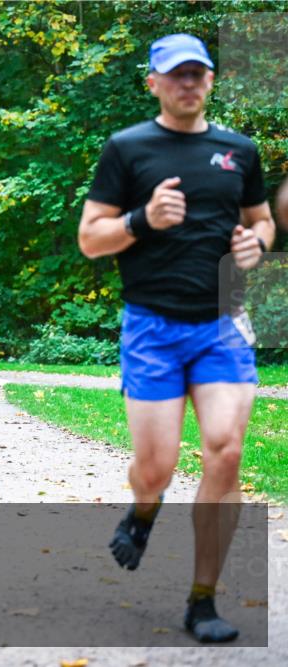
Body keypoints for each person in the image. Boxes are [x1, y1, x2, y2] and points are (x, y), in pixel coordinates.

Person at [78, 33, 276, 643]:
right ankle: (144, 510)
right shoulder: (127, 149)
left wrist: (258, 244)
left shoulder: (238, 152)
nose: (188, 83)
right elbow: (91, 237)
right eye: (175, 75)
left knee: (226, 449)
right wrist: (141, 219)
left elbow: (261, 219)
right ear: (154, 84)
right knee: (156, 468)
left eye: (198, 74)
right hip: (151, 327)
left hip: (222, 321)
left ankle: (202, 600)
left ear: (211, 81)